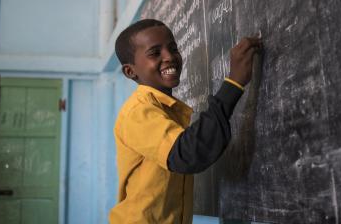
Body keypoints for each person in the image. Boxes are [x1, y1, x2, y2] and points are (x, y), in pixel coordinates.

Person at [109, 19, 262, 224]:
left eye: (173, 48)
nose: (169, 57)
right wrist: (233, 83)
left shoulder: (166, 110)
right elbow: (188, 154)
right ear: (130, 71)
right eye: (155, 53)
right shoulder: (138, 111)